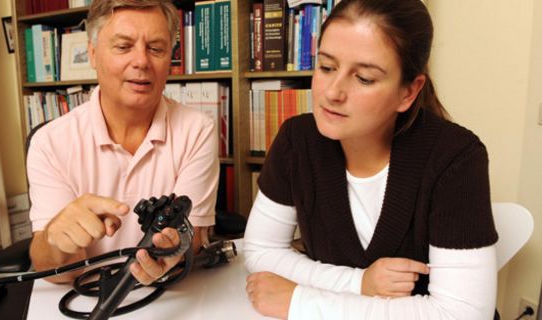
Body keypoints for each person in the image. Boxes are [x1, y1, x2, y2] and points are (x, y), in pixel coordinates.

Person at [244, 0, 498, 319]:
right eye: (326, 67)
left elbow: (463, 313)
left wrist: (302, 304)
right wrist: (359, 282)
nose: (332, 92)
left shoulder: (456, 157)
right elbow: (261, 251)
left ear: (408, 92)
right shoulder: (298, 139)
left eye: (363, 78)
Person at [28, 0, 219, 285]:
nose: (141, 61)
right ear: (92, 54)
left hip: (169, 294)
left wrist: (173, 251)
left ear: (170, 58)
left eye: (156, 48)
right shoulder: (49, 142)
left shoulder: (197, 130)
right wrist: (56, 242)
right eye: (123, 46)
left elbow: (193, 238)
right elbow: (55, 271)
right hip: (83, 294)